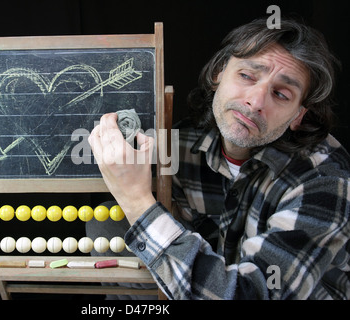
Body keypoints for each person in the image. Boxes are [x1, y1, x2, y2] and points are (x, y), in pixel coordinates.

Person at [87, 18, 350, 299]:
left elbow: (249, 294)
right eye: (247, 76)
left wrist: (136, 200)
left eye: (281, 94)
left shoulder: (324, 181)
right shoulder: (181, 147)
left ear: (299, 115)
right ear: (218, 73)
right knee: (109, 225)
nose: (256, 102)